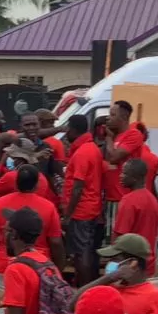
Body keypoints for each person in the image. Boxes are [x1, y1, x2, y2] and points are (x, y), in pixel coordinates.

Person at [0, 164, 65, 293]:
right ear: (37, 184)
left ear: (16, 183)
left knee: (4, 309)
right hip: (39, 268)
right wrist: (57, 269)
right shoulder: (48, 207)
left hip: (3, 266)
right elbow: (56, 242)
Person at [82, 234, 158, 314]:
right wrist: (109, 277)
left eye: (115, 259)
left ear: (133, 264)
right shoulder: (109, 290)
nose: (109, 263)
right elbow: (73, 305)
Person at [62, 112, 106, 285]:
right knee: (87, 251)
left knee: (81, 254)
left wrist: (67, 215)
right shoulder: (92, 148)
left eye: (67, 129)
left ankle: (83, 289)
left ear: (73, 130)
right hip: (91, 208)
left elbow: (77, 188)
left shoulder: (82, 153)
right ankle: (89, 287)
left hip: (81, 211)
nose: (65, 133)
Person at [102, 99, 146, 233]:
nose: (108, 118)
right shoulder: (117, 136)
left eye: (113, 115)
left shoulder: (133, 134)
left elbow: (114, 158)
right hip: (111, 196)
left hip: (122, 197)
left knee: (119, 239)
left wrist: (109, 138)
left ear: (124, 117)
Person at [112, 159, 158, 274]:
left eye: (124, 173)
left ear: (134, 177)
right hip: (149, 264)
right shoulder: (152, 199)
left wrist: (114, 264)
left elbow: (120, 238)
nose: (120, 176)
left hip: (131, 267)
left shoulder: (128, 201)